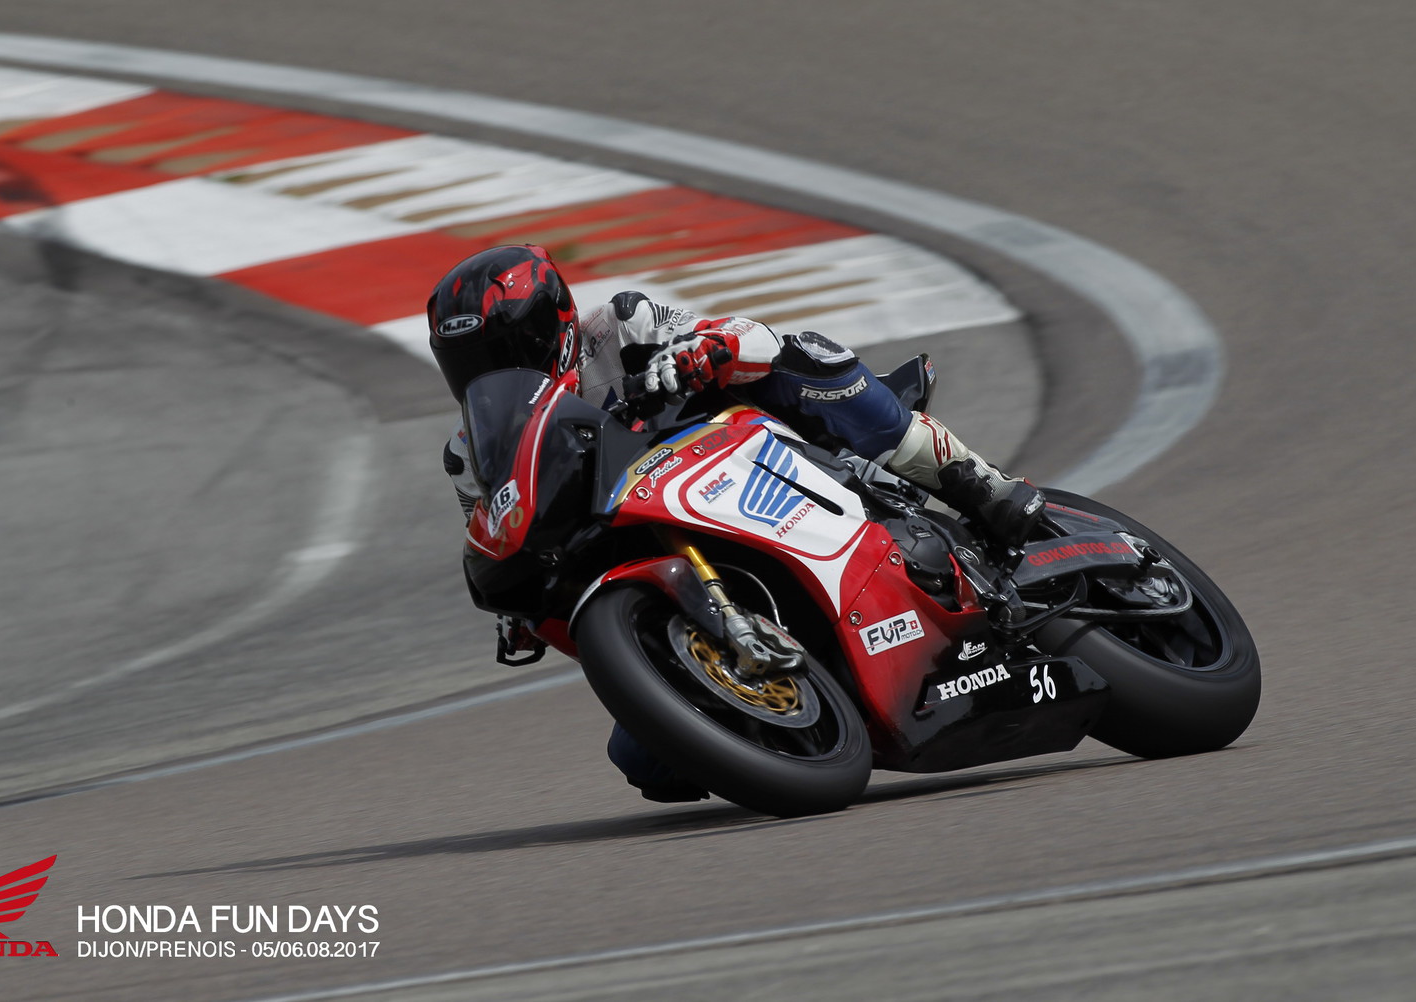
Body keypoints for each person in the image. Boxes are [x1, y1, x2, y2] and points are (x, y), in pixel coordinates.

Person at [428, 244, 1043, 801]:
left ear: (552, 329)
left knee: (801, 358)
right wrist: (515, 614)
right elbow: (497, 525)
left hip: (748, 457)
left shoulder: (619, 324)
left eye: (501, 351)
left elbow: (748, 336)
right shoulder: (470, 452)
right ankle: (784, 696)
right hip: (646, 534)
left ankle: (980, 483)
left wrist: (706, 349)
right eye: (469, 361)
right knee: (647, 761)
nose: (488, 370)